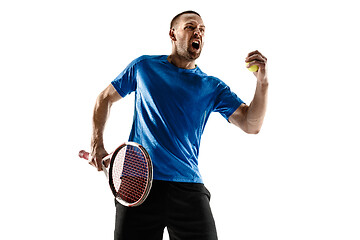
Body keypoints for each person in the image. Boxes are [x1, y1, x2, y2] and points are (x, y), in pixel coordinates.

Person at [89, 10, 268, 240]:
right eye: (190, 27)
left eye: (202, 30)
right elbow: (104, 98)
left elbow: (251, 124)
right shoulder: (144, 67)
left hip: (187, 186)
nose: (198, 33)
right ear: (172, 34)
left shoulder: (212, 87)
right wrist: (97, 144)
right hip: (137, 182)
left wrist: (262, 83)